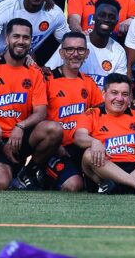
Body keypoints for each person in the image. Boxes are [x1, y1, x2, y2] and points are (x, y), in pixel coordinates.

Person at [0, 19, 62, 190]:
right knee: (0, 183)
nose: (21, 41)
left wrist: (20, 126)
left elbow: (41, 112)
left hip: (20, 137)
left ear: (30, 41)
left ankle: (27, 172)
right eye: (16, 36)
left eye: (26, 37)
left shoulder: (35, 71)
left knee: (54, 129)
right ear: (7, 39)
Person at [73, 73, 135, 195]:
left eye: (125, 94)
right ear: (104, 94)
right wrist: (94, 141)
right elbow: (79, 137)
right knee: (88, 154)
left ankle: (120, 187)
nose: (119, 99)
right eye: (114, 93)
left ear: (130, 96)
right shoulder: (91, 114)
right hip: (104, 168)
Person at [43, 32, 105, 192]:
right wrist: (54, 145)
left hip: (81, 147)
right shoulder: (47, 79)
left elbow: (102, 116)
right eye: (69, 49)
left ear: (87, 53)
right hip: (56, 148)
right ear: (61, 53)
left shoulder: (89, 83)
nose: (75, 54)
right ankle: (41, 173)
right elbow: (36, 117)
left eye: (80, 50)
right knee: (74, 185)